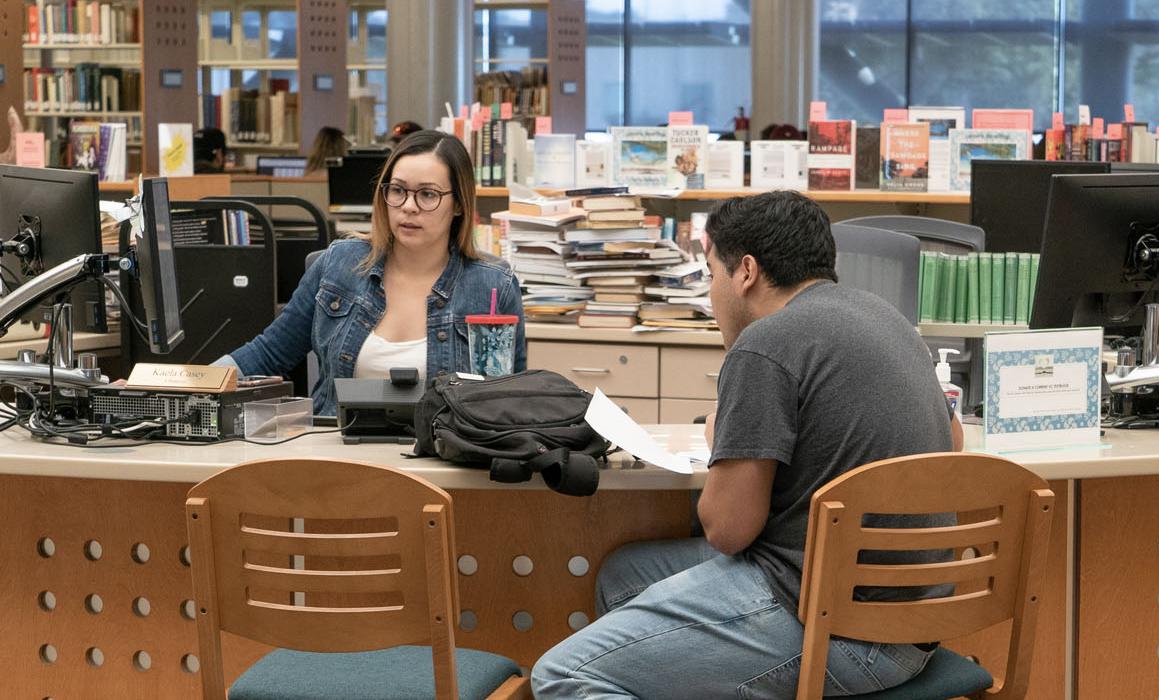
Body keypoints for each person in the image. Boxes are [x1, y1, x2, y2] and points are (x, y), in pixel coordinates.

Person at [532, 191, 963, 699]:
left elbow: (727, 530)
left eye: (712, 273)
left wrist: (724, 438)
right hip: (915, 620)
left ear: (746, 272)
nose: (712, 292)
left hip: (838, 630)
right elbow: (951, 441)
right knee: (624, 576)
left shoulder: (766, 344)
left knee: (563, 674)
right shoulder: (887, 319)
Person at [213, 130, 526, 415]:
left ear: (458, 204)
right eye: (398, 190)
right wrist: (186, 383)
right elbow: (268, 354)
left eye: (428, 194)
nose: (409, 206)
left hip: (442, 465)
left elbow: (514, 400)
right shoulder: (339, 265)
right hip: (339, 458)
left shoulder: (492, 286)